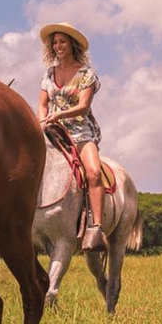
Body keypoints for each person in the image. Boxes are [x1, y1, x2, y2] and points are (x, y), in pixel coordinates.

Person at [37, 22, 107, 252]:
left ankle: (96, 227)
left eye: (62, 42)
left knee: (94, 172)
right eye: (55, 43)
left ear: (72, 44)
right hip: (53, 132)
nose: (58, 46)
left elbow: (84, 106)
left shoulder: (86, 74)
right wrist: (42, 122)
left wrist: (59, 115)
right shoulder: (49, 73)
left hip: (80, 133)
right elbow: (42, 105)